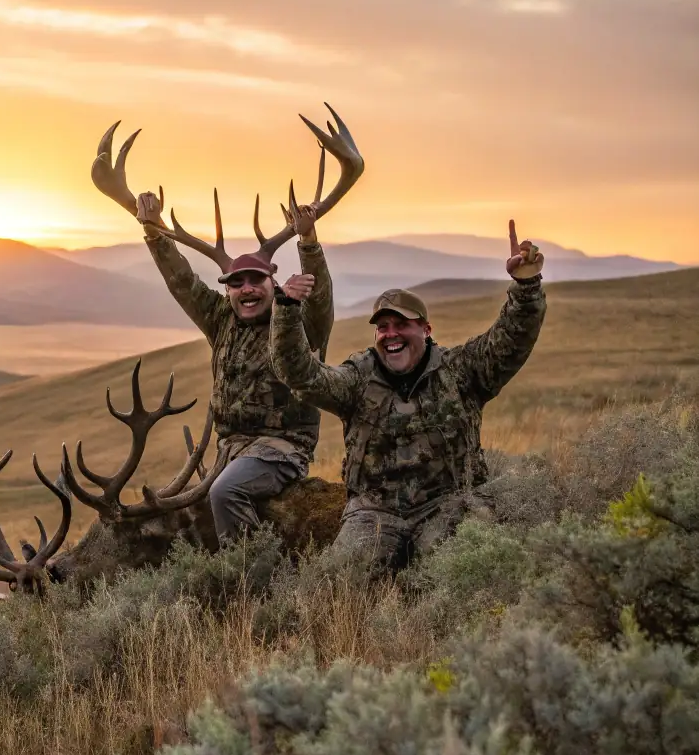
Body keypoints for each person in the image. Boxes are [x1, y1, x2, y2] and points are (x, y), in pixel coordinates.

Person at [268, 221, 547, 571]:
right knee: (335, 585)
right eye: (383, 327)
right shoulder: (356, 378)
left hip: (447, 506)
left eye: (402, 325)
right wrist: (287, 310)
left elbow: (510, 341)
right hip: (373, 513)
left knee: (467, 570)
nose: (391, 334)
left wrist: (525, 286)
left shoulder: (460, 370)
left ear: (426, 330)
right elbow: (300, 375)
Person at [133, 188, 335, 545]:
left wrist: (307, 239)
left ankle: (249, 580)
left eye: (256, 281)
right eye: (236, 284)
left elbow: (319, 300)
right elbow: (182, 283)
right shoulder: (220, 318)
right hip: (229, 450)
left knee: (225, 494)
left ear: (273, 282)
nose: (247, 290)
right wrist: (154, 232)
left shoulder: (299, 322)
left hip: (281, 448)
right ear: (227, 291)